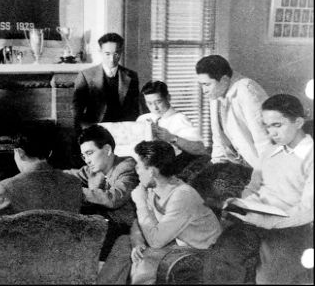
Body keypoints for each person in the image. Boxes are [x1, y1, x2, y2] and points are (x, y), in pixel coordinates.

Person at [203, 94, 313, 284]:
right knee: (217, 263)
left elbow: (308, 209)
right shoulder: (270, 153)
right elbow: (253, 187)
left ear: (298, 122)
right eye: (267, 127)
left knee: (268, 278)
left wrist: (270, 221)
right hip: (255, 221)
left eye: (277, 125)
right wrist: (241, 204)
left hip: (292, 228)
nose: (271, 133)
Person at [98, 140, 222, 284]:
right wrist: (137, 241)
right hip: (177, 244)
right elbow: (138, 223)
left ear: (151, 171)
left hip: (204, 254)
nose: (136, 170)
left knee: (147, 257)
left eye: (139, 166)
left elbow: (156, 241)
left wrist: (141, 203)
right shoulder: (152, 189)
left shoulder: (182, 195)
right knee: (124, 242)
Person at [0, 126, 84, 234]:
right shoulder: (74, 182)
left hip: (23, 253)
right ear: (50, 153)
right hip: (65, 251)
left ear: (20, 153)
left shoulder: (5, 187)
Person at [64, 124, 139, 260]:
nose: (87, 160)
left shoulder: (127, 167)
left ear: (107, 149)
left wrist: (76, 191)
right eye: (83, 156)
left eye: (90, 153)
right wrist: (46, 176)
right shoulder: (92, 169)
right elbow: (69, 176)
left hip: (127, 230)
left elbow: (113, 199)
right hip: (106, 226)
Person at [196, 55, 271, 170]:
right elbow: (219, 141)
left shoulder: (247, 89)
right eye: (201, 85)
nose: (204, 91)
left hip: (261, 168)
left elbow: (264, 139)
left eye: (207, 84)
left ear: (225, 80)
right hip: (238, 168)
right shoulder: (215, 94)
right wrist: (214, 170)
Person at [136, 80, 208, 174]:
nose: (155, 107)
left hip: (170, 170)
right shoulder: (143, 119)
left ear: (168, 98)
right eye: (149, 103)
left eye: (158, 102)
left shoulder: (180, 119)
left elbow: (200, 148)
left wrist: (172, 138)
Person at [73, 33, 140, 131]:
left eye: (116, 53)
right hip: (95, 129)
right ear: (100, 52)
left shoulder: (131, 76)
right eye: (107, 54)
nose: (112, 59)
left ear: (121, 52)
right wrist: (81, 132)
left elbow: (135, 108)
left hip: (124, 129)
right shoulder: (86, 75)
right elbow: (77, 109)